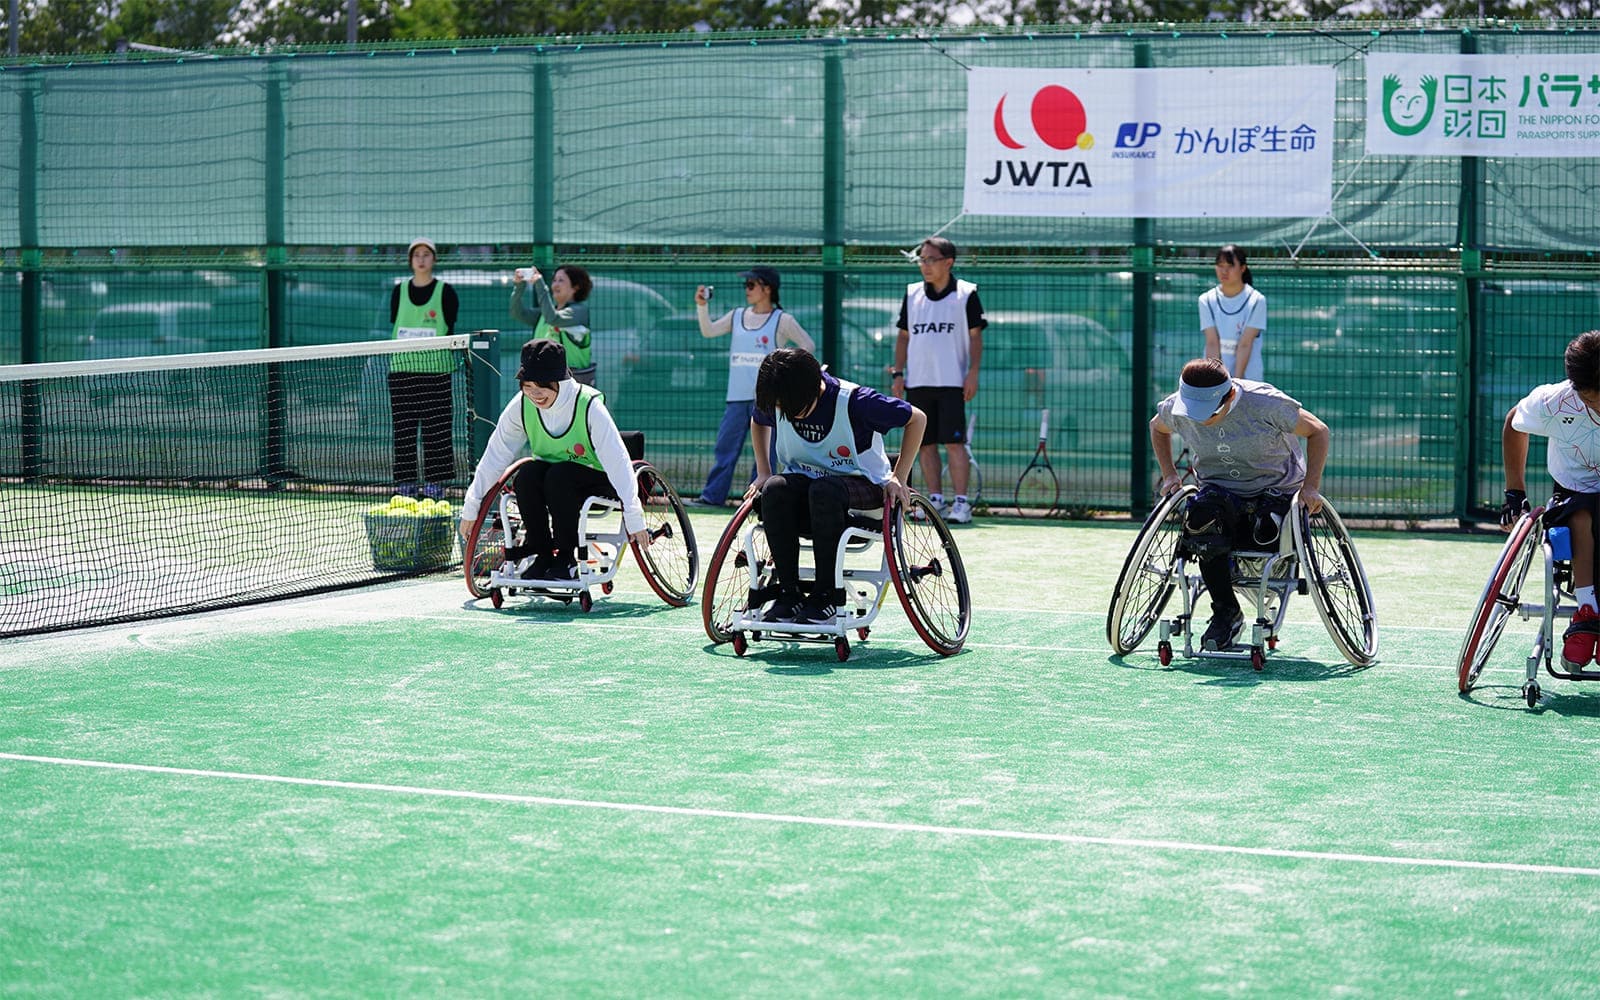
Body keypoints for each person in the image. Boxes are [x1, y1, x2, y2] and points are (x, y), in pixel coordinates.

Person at [1150, 357, 1330, 652]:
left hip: (1276, 489)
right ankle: (1226, 613)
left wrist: (1311, 486)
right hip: (1218, 490)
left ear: (1230, 395)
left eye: (1206, 412)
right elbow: (1157, 428)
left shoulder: (1265, 403)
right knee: (1200, 523)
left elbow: (1318, 430)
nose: (1197, 419)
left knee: (1266, 533)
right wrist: (1169, 474)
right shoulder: (1177, 407)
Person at [747, 348, 926, 625]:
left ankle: (826, 595)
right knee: (774, 488)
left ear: (814, 391)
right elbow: (758, 420)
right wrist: (763, 471)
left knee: (825, 490)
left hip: (864, 488)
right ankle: (788, 594)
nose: (788, 416)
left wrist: (899, 477)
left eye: (793, 410)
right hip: (809, 490)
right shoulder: (784, 395)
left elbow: (918, 418)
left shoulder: (857, 402)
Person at [458, 339, 649, 583]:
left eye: (542, 385)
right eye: (527, 385)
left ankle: (567, 559)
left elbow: (618, 462)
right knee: (527, 474)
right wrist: (471, 507)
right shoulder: (521, 405)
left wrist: (634, 515)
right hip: (552, 480)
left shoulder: (588, 405)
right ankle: (543, 555)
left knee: (561, 475)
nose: (534, 393)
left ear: (559, 380)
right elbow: (495, 455)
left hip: (598, 480)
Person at [1500, 330, 1600, 671]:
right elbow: (1515, 424)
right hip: (1574, 492)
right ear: (1575, 386)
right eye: (1592, 397)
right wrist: (1515, 493)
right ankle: (1588, 612)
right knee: (1581, 517)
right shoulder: (1555, 401)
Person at [691, 266, 815, 507]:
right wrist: (701, 305)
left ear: (767, 288)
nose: (746, 290)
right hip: (736, 397)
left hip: (768, 401)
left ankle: (759, 501)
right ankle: (712, 497)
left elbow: (807, 345)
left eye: (751, 285)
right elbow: (709, 331)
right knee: (725, 448)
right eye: (745, 285)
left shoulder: (783, 319)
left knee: (766, 456)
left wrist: (784, 371)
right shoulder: (737, 315)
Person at [891, 236, 985, 524]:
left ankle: (961, 503)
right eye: (922, 259)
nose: (924, 265)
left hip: (951, 383)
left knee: (954, 444)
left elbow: (976, 336)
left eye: (931, 259)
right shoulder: (913, 294)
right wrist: (898, 373)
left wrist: (972, 372)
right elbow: (904, 336)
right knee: (925, 444)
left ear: (948, 262)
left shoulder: (966, 294)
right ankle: (935, 501)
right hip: (918, 383)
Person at [388, 237, 460, 499]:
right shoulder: (399, 291)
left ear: (434, 259)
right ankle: (405, 484)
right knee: (404, 431)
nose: (421, 258)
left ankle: (436, 484)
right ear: (410, 260)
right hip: (402, 372)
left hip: (437, 373)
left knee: (437, 431)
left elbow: (449, 326)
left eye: (426, 254)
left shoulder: (446, 291)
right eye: (416, 254)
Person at [511, 264, 597, 386]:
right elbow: (517, 313)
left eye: (561, 280)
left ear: (576, 287)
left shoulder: (579, 311)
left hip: (573, 383)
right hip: (543, 380)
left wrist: (540, 284)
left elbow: (553, 318)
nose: (555, 284)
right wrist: (519, 286)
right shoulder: (545, 314)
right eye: (554, 280)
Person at [1199, 244, 1266, 381]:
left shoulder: (1257, 300)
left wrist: (1237, 383)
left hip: (1248, 380)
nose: (1224, 271)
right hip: (1218, 381)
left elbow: (1245, 344)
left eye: (1230, 266)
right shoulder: (1206, 299)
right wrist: (1215, 381)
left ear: (1243, 268)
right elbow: (1212, 343)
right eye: (1220, 265)